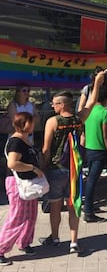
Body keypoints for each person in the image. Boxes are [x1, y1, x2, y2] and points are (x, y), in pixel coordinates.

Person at [39, 71, 105, 254]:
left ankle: (55, 238)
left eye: (54, 103)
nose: (52, 105)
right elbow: (91, 103)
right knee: (74, 205)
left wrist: (42, 168)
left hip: (56, 170)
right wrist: (97, 84)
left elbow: (46, 149)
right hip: (75, 170)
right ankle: (74, 242)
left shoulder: (52, 122)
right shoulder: (79, 118)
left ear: (62, 104)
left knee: (55, 206)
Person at [0, 112, 45, 265]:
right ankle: (1, 248)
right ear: (24, 124)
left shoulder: (26, 140)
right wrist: (33, 168)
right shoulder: (16, 142)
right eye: (31, 122)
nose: (34, 125)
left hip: (29, 183)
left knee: (31, 215)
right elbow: (12, 163)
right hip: (17, 183)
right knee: (17, 217)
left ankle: (24, 242)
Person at [83, 86, 107, 223]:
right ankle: (88, 212)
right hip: (100, 151)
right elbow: (106, 136)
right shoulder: (105, 113)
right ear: (106, 98)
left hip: (89, 149)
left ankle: (89, 206)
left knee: (91, 178)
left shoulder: (87, 112)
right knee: (92, 181)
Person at [77, 66, 107, 177]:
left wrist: (105, 112)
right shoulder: (87, 88)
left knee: (102, 137)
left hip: (99, 116)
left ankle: (100, 166)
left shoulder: (106, 89)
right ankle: (83, 166)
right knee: (84, 140)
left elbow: (106, 105)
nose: (101, 79)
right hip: (87, 117)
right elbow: (81, 107)